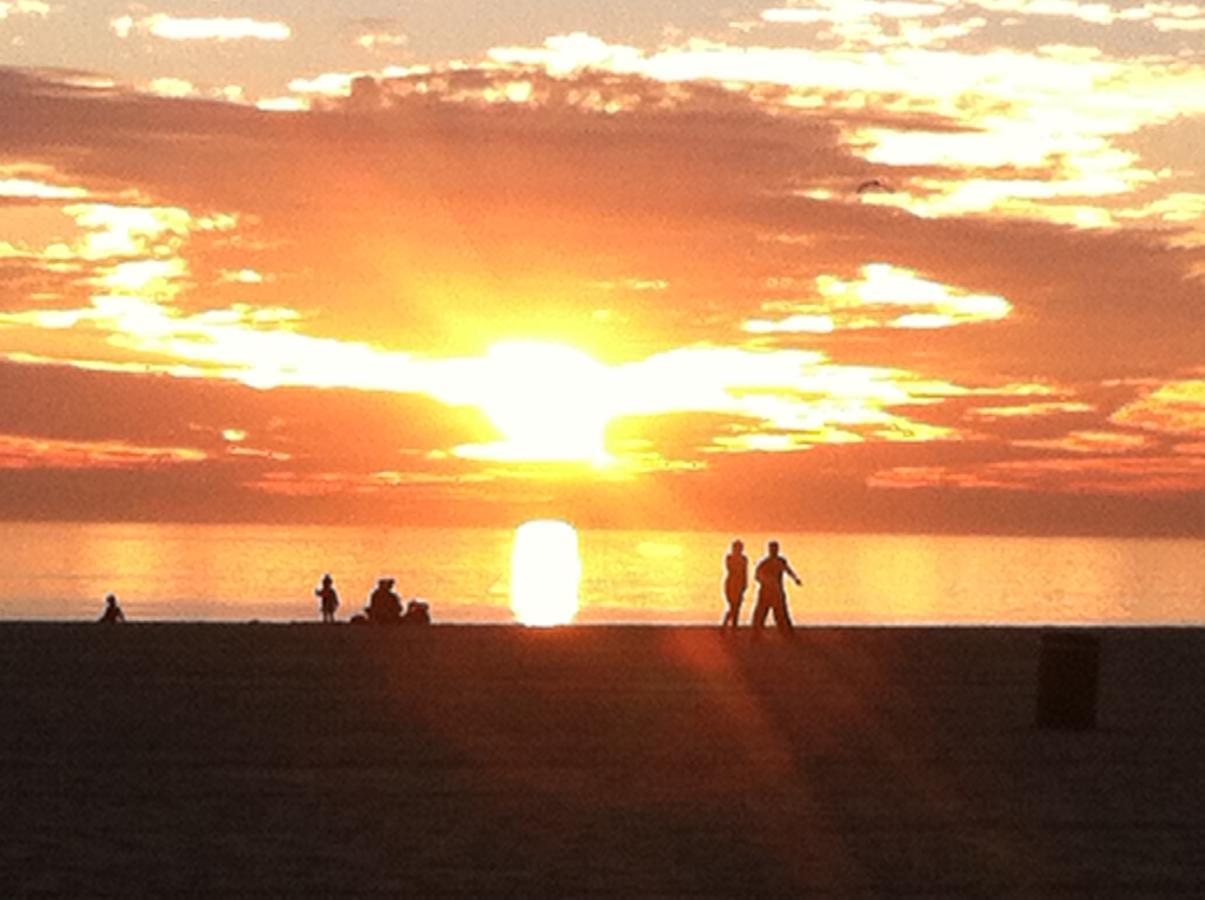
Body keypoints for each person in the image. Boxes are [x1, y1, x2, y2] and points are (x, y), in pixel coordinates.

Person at [752, 541, 801, 636]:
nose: (774, 551)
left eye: (775, 549)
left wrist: (795, 579)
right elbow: (757, 576)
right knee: (761, 612)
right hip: (766, 592)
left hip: (777, 591)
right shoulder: (764, 563)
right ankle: (756, 632)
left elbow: (788, 570)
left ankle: (787, 632)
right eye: (772, 549)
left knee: (781, 612)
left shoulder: (781, 561)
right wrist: (766, 581)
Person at [721, 540, 748, 628]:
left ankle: (733, 624)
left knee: (737, 605)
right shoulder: (729, 557)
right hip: (731, 583)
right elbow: (730, 569)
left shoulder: (744, 559)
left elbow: (745, 572)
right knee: (733, 605)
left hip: (739, 583)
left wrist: (744, 583)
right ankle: (727, 623)